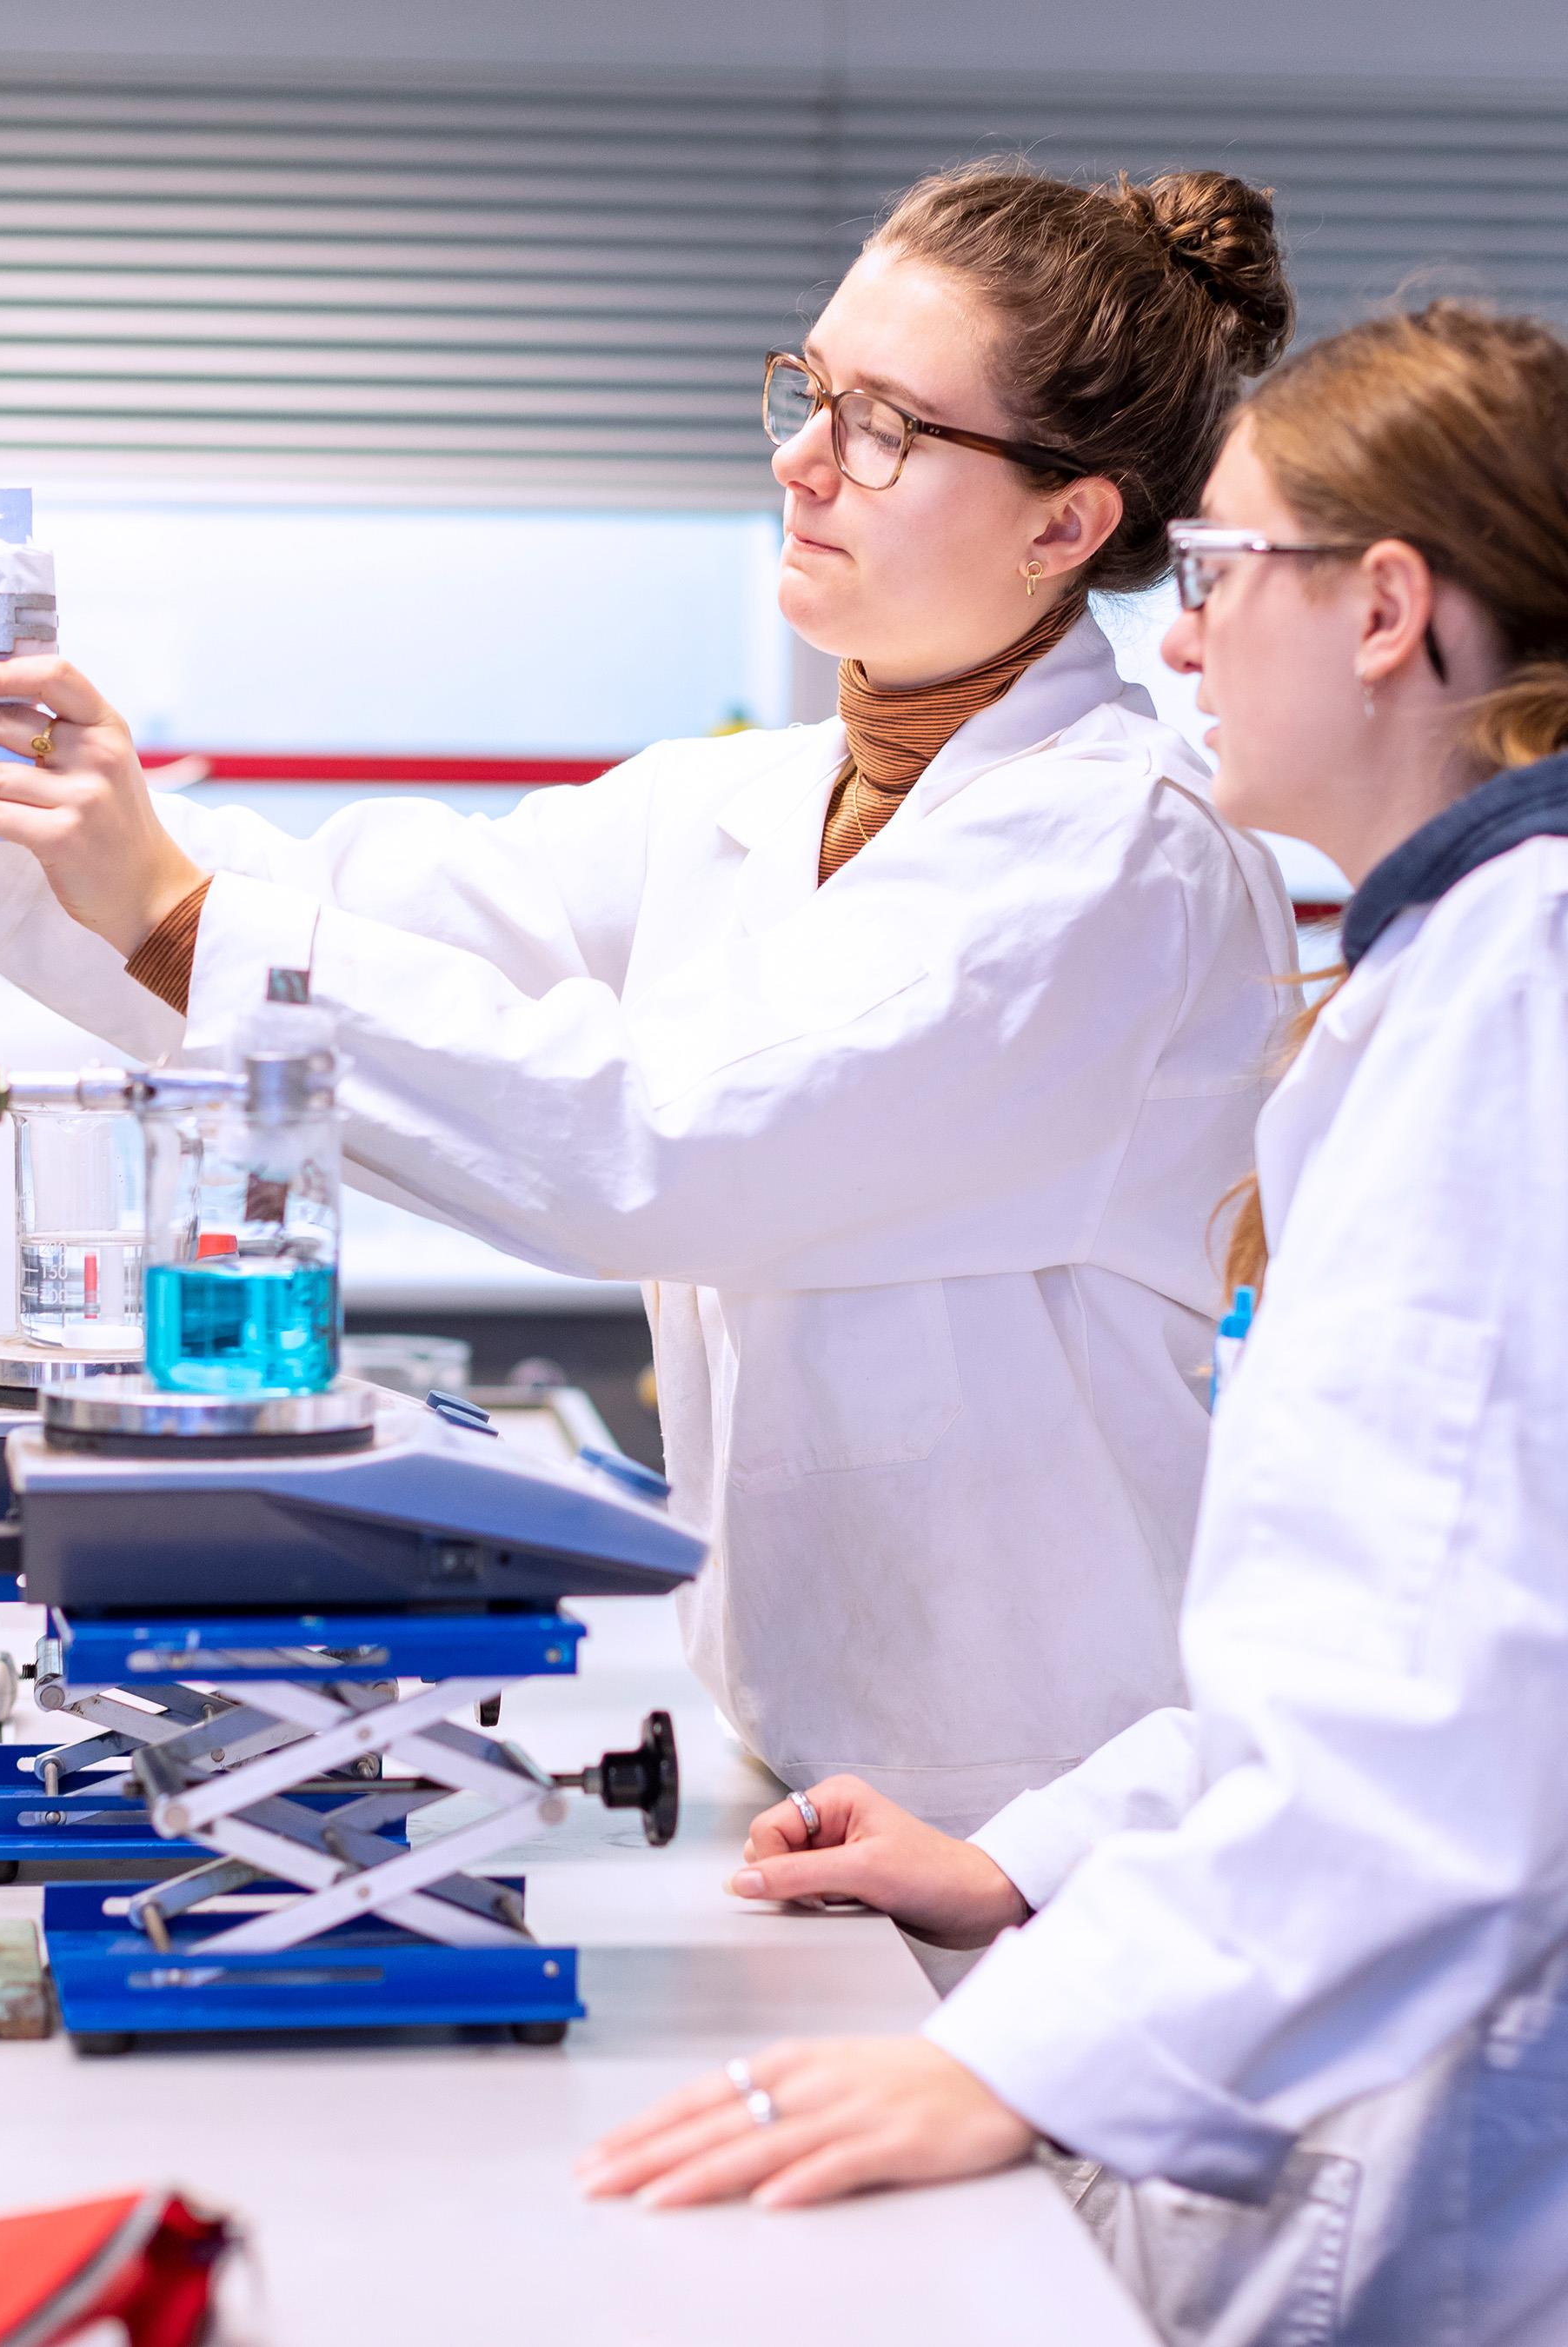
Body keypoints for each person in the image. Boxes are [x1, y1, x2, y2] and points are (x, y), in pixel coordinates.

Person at [0, 163, 1296, 1836]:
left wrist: (170, 904)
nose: (800, 457)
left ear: (1066, 522)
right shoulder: (745, 797)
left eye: (883, 428)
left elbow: (667, 1151)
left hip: (1039, 1817)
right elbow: (378, 917)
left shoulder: (1116, 866)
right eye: (810, 393)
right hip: (810, 1765)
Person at [577, 301, 1568, 2347]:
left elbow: (1454, 1733)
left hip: (1456, 2142)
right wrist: (1028, 1857)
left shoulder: (1517, 1007)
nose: (1180, 639)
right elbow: (1382, 1625)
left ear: (1386, 608)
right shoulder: (1435, 983)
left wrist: (1007, 2067)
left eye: (1216, 576)